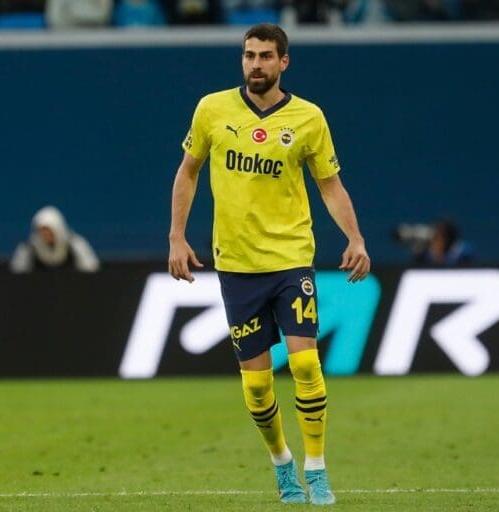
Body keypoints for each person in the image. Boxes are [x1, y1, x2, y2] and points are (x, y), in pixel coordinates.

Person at [168, 23, 371, 506]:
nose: (255, 64)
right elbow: (188, 172)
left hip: (291, 259)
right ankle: (282, 464)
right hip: (237, 264)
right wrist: (176, 236)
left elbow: (329, 185)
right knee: (258, 386)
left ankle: (316, 469)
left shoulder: (308, 118)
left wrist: (355, 237)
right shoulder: (212, 109)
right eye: (248, 55)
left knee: (305, 363)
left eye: (264, 56)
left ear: (283, 62)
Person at [9, 205, 100, 273]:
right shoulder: (27, 248)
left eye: (49, 231)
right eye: (42, 231)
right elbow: (17, 272)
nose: (45, 235)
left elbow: (91, 268)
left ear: (58, 229)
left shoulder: (76, 244)